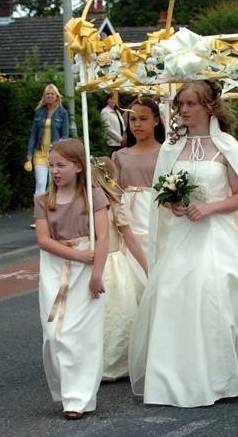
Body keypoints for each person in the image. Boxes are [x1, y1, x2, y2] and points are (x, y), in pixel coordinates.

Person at [129, 80, 238, 408]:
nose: (183, 110)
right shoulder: (171, 148)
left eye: (190, 104)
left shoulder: (226, 145)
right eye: (180, 104)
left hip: (218, 233)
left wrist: (209, 207)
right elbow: (162, 194)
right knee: (174, 295)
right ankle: (178, 374)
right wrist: (175, 204)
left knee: (222, 289)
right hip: (184, 234)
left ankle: (231, 370)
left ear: (209, 106)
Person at [34, 139, 109, 419]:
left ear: (78, 166)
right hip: (56, 267)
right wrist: (78, 257)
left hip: (88, 269)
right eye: (52, 165)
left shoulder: (92, 196)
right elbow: (43, 239)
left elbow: (103, 237)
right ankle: (66, 389)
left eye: (61, 165)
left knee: (82, 335)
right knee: (54, 334)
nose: (55, 170)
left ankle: (78, 399)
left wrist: (97, 273)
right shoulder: (43, 200)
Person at [91, 157, 148, 381]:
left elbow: (129, 238)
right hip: (96, 262)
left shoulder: (114, 203)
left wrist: (146, 267)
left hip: (113, 262)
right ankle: (98, 360)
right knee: (102, 313)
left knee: (117, 312)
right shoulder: (85, 206)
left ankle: (115, 360)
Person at [112, 97, 165, 260]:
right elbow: (114, 190)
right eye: (133, 119)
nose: (137, 124)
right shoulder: (120, 155)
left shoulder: (165, 152)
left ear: (155, 120)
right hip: (126, 214)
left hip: (154, 212)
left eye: (143, 119)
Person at [27, 84, 69, 227]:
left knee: (53, 185)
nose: (49, 96)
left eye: (52, 94)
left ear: (57, 96)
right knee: (40, 184)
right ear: (44, 97)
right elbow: (33, 134)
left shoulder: (62, 113)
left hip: (54, 155)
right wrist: (29, 153)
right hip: (39, 153)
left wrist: (60, 150)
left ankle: (53, 215)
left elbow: (65, 135)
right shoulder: (39, 112)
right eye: (47, 94)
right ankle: (38, 217)